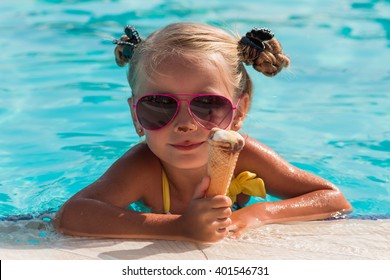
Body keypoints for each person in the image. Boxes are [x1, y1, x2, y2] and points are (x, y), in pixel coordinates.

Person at [54, 22, 352, 243]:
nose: (185, 123)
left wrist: (256, 215)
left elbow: (332, 198)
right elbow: (72, 215)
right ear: (135, 115)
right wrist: (178, 227)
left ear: (239, 112)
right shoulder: (144, 167)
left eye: (208, 105)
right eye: (159, 105)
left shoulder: (245, 156)